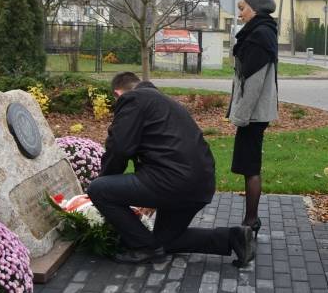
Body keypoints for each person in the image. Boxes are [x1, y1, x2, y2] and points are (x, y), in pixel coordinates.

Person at [87, 72, 255, 266]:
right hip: (200, 184)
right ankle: (234, 238)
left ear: (118, 94)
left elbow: (120, 148)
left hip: (171, 181)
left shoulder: (132, 99)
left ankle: (143, 248)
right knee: (163, 241)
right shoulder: (165, 102)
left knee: (98, 189)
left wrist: (106, 183)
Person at [227, 0, 279, 238]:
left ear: (255, 9)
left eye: (242, 8)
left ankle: (251, 220)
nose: (239, 13)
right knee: (249, 165)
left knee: (250, 166)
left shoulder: (259, 35)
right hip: (254, 113)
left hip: (253, 115)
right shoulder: (260, 32)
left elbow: (254, 83)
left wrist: (240, 116)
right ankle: (250, 218)